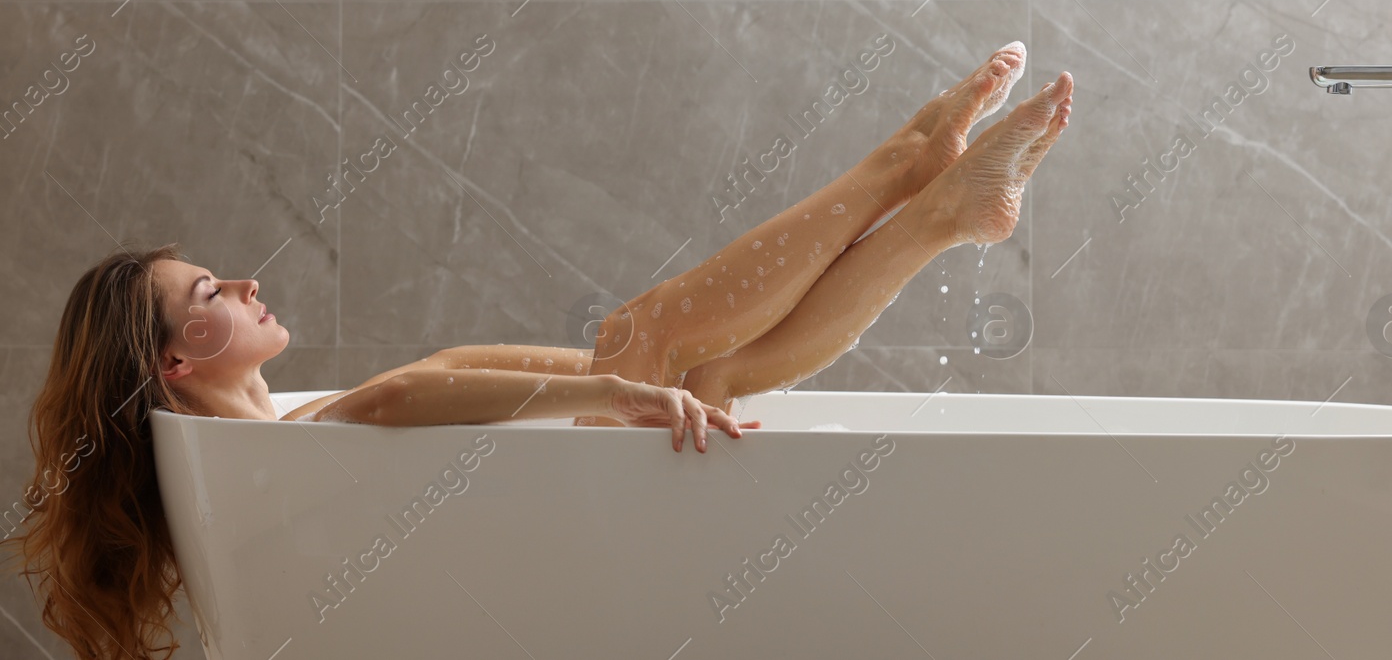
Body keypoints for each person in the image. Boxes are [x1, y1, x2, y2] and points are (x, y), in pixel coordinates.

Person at [1, 41, 1071, 660]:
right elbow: (394, 397)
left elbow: (396, 399)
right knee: (648, 347)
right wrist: (614, 383)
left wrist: (619, 384)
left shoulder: (276, 445)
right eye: (204, 295)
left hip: (555, 538)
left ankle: (934, 208)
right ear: (175, 365)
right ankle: (903, 173)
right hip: (572, 547)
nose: (238, 279)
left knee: (700, 373)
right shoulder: (297, 446)